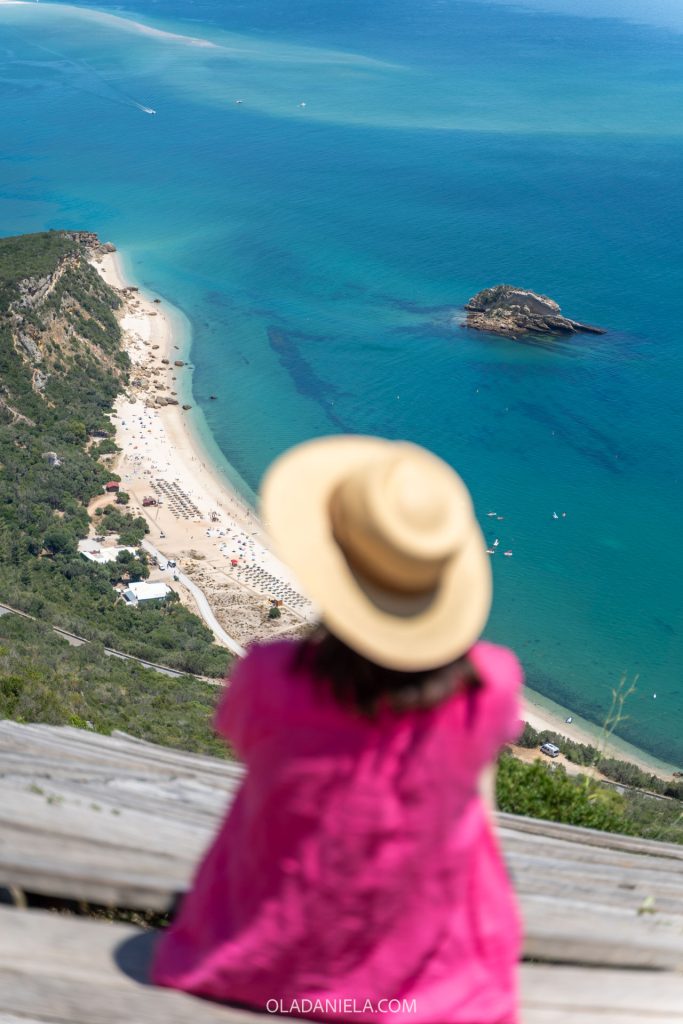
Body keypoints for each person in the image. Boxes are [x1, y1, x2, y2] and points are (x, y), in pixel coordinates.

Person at [152, 436, 523, 1023]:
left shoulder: (268, 678)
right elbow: (482, 800)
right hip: (433, 980)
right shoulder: (491, 684)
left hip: (266, 955)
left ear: (333, 562)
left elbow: (261, 762)